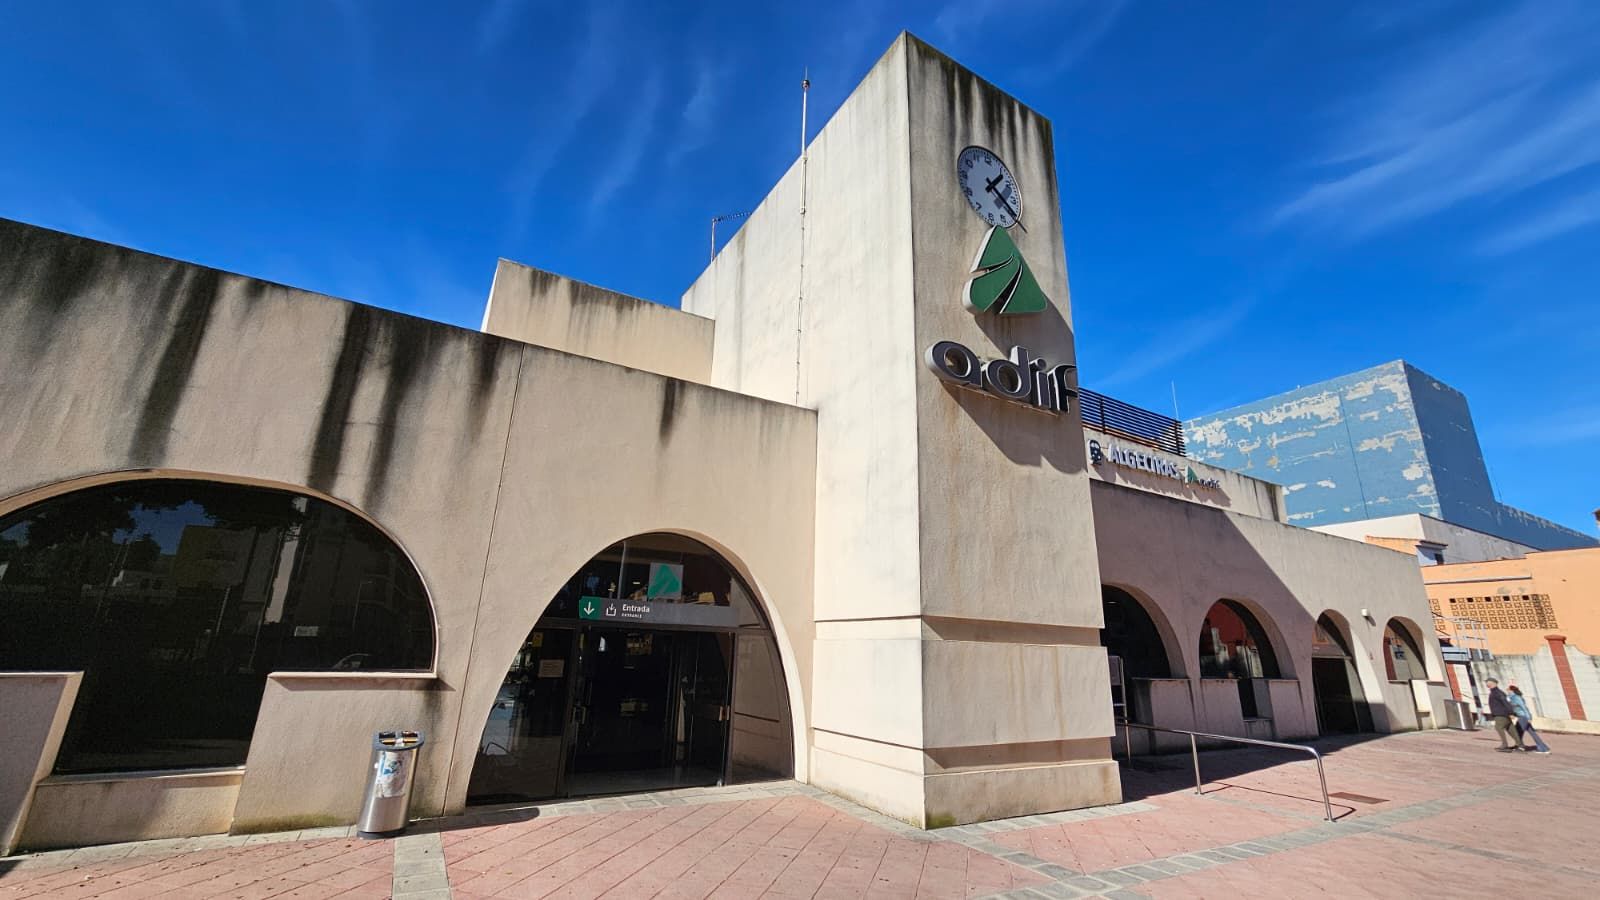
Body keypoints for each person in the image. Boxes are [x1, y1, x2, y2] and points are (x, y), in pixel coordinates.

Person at [1507, 685, 1551, 754]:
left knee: (1517, 732)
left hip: (1523, 717)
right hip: (1521, 717)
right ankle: (1543, 748)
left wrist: (1529, 717)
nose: (1507, 691)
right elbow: (1516, 708)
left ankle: (1520, 747)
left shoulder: (1516, 697)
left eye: (1508, 690)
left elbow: (1524, 707)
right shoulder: (1512, 697)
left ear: (1512, 690)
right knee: (1532, 733)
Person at [1485, 679, 1524, 752]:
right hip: (1502, 714)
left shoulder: (1498, 693)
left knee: (1499, 727)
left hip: (1501, 714)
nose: (1486, 684)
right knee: (1511, 729)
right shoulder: (1495, 692)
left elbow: (1506, 703)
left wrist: (1511, 712)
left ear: (1492, 683)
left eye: (1487, 682)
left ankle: (1504, 745)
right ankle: (1520, 745)